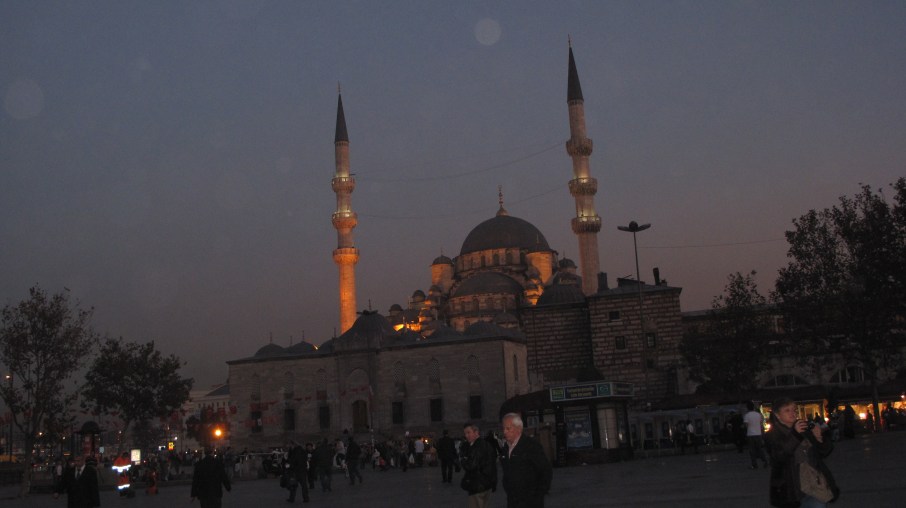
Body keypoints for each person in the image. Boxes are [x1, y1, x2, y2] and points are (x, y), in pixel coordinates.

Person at [765, 397, 840, 508]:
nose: (793, 413)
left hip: (813, 483)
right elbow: (779, 456)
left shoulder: (803, 429)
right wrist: (795, 434)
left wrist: (819, 437)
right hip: (790, 489)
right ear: (777, 415)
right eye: (787, 410)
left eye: (794, 410)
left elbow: (824, 452)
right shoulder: (772, 435)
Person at [500, 413, 552, 508]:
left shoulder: (531, 446)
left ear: (519, 429)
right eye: (503, 428)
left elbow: (545, 470)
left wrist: (538, 494)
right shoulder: (505, 448)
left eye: (508, 428)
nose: (505, 432)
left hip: (531, 501)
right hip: (513, 500)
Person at [460, 422, 497, 508]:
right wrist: (493, 482)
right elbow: (493, 465)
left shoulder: (476, 446)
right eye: (465, 433)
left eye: (468, 432)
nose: (466, 435)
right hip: (487, 485)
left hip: (477, 486)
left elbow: (471, 466)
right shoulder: (487, 445)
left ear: (476, 432)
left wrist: (463, 460)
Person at [744, 401, 769, 469]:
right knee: (760, 448)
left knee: (752, 450)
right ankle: (765, 461)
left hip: (750, 434)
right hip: (758, 434)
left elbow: (746, 425)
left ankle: (754, 464)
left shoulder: (747, 415)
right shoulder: (758, 415)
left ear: (747, 408)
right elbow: (761, 425)